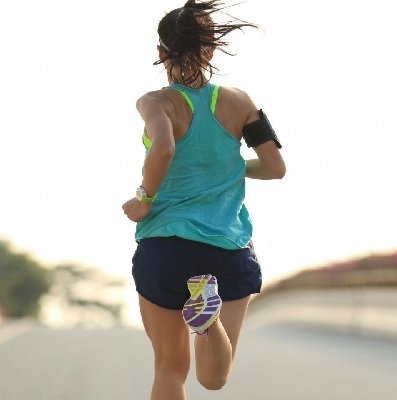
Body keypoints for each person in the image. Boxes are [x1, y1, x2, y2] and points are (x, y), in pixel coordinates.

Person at [121, 1, 285, 399]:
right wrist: (228, 167)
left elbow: (163, 149)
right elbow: (275, 167)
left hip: (166, 247)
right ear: (211, 51)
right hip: (228, 249)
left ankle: (205, 314)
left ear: (160, 51)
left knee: (169, 369)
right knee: (213, 379)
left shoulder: (155, 102)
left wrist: (144, 198)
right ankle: (208, 321)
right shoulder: (241, 102)